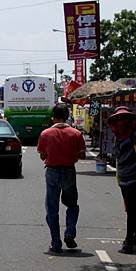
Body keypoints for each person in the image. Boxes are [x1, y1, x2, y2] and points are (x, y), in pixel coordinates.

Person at [37, 103, 86, 254]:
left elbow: (42, 155)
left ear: (53, 118)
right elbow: (82, 154)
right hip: (69, 171)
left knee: (52, 209)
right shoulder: (76, 134)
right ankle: (69, 232)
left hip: (52, 171)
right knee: (72, 205)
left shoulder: (45, 134)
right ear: (67, 117)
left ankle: (56, 242)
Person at [107, 106, 136, 254]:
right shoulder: (117, 136)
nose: (121, 122)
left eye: (124, 119)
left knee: (130, 208)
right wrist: (117, 177)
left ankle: (129, 240)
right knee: (130, 208)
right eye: (118, 119)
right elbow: (118, 158)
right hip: (123, 177)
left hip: (135, 178)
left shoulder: (135, 136)